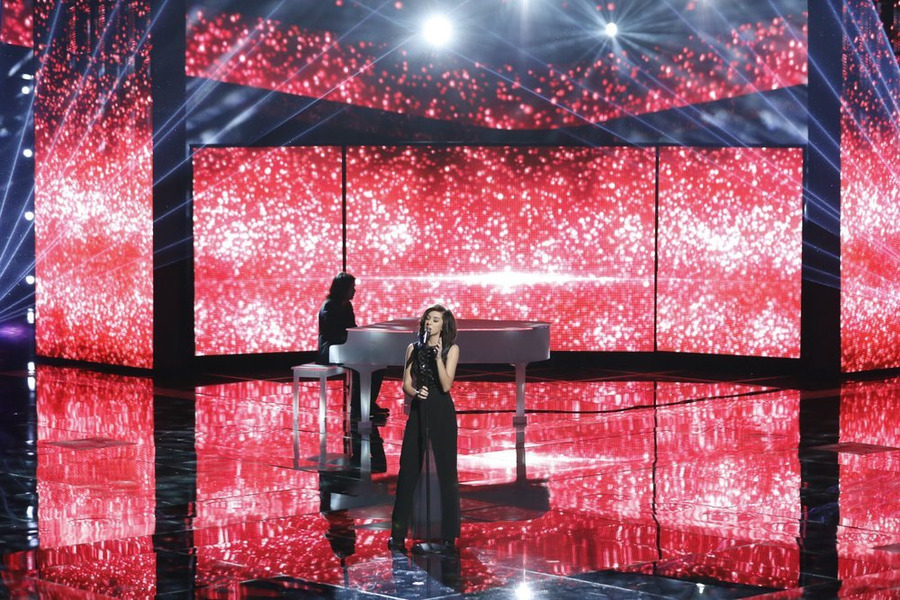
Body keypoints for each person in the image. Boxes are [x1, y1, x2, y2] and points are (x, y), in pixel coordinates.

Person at [388, 305, 461, 554]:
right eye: (428, 319)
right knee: (407, 470)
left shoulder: (451, 349)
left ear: (443, 325)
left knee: (447, 473)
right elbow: (406, 384)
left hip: (442, 411)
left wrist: (438, 358)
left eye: (436, 319)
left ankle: (449, 535)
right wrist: (415, 392)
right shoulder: (413, 348)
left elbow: (447, 384)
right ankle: (397, 534)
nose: (430, 322)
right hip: (419, 410)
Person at [317, 272, 386, 419]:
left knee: (378, 364)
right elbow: (332, 333)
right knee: (361, 363)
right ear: (343, 288)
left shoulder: (347, 305)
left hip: (345, 346)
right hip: (331, 349)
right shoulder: (329, 306)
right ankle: (357, 406)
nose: (354, 290)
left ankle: (367, 403)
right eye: (352, 287)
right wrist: (352, 341)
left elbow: (352, 327)